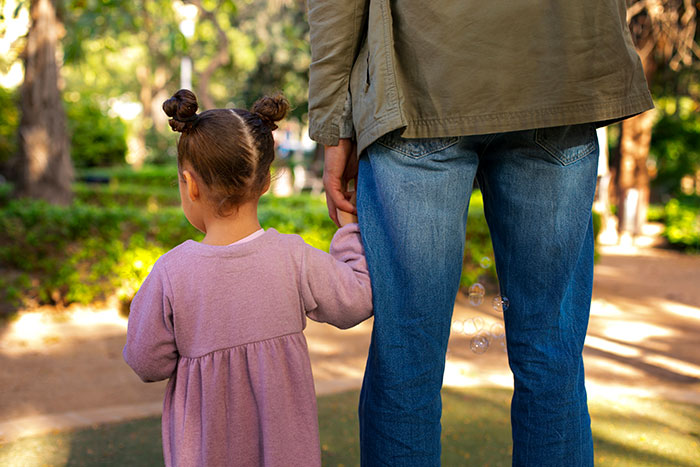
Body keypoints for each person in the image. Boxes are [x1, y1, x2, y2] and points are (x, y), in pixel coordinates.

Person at [307, 1, 653, 466]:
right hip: (559, 74)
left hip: (422, 80)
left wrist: (335, 124)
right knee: (551, 357)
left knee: (407, 360)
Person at [123, 89, 372, 467]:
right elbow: (356, 298)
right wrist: (350, 232)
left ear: (190, 184)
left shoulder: (171, 272)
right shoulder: (293, 256)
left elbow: (146, 361)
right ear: (265, 181)